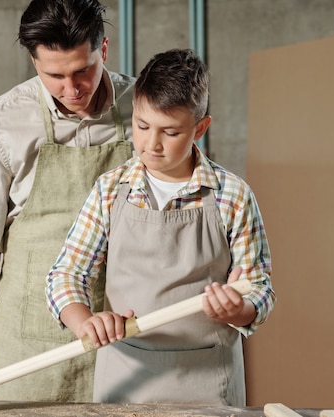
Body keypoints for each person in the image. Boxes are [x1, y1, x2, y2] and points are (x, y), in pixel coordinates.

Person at [45, 48, 276, 406]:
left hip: (207, 380)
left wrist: (239, 309)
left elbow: (259, 289)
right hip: (125, 376)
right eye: (142, 126)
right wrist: (84, 323)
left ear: (200, 128)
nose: (152, 144)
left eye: (170, 132)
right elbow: (65, 275)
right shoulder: (110, 190)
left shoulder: (232, 196)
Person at [0, 0, 135, 402]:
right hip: (29, 341)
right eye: (55, 75)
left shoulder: (143, 109)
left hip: (126, 328)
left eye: (82, 70)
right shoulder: (2, 122)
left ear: (103, 50)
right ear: (34, 63)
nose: (72, 89)